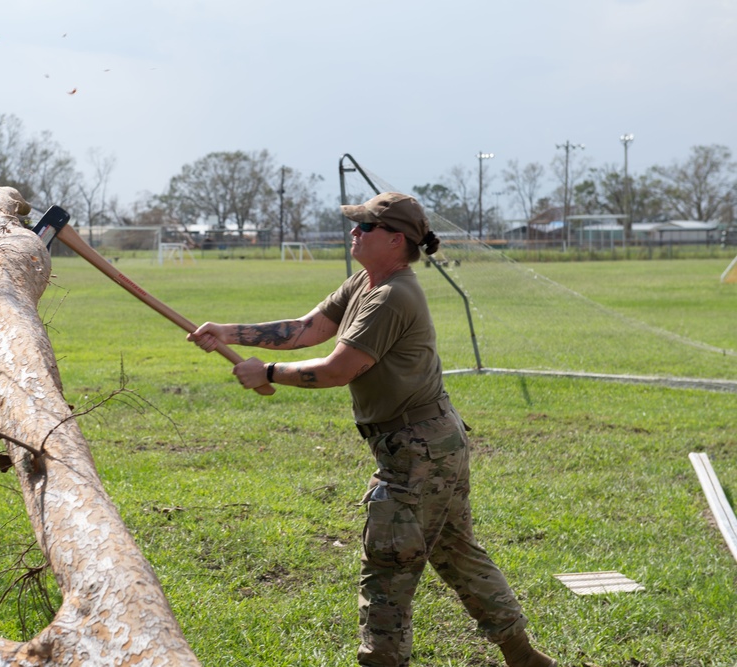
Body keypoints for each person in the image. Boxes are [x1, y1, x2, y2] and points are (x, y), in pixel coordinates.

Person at [187, 192, 556, 667]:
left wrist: (270, 373)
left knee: (387, 567)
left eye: (365, 226)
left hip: (418, 451)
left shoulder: (392, 296)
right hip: (426, 442)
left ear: (395, 240)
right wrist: (229, 332)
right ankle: (524, 657)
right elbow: (306, 328)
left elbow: (341, 369)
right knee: (455, 552)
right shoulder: (366, 282)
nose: (354, 232)